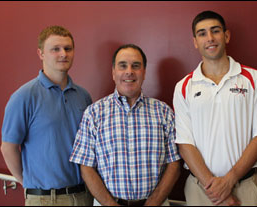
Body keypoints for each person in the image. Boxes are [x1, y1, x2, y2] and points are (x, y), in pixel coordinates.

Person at [173, 11, 257, 206]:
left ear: (226, 36)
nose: (210, 38)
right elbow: (184, 144)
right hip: (200, 190)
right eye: (202, 33)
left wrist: (229, 180)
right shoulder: (184, 86)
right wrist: (215, 188)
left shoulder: (254, 79)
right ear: (195, 41)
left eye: (215, 31)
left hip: (244, 187)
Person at [69, 44, 181, 206]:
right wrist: (110, 204)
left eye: (136, 66)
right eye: (123, 66)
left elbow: (174, 163)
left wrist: (153, 202)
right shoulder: (94, 113)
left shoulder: (163, 112)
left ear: (144, 72)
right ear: (113, 72)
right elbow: (86, 166)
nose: (129, 71)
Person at [0, 25, 93, 206]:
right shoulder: (24, 96)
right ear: (41, 54)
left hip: (83, 196)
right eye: (55, 49)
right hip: (45, 199)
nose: (63, 54)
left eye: (68, 48)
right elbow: (8, 148)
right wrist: (29, 184)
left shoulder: (83, 96)